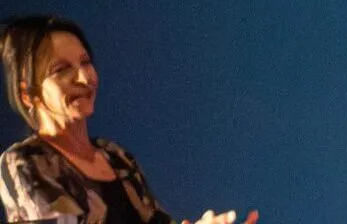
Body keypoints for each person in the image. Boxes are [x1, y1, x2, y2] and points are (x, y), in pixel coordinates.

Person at [0, 15, 257, 224]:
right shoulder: (23, 163)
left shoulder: (116, 157)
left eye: (85, 62)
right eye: (61, 70)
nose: (84, 77)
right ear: (27, 95)